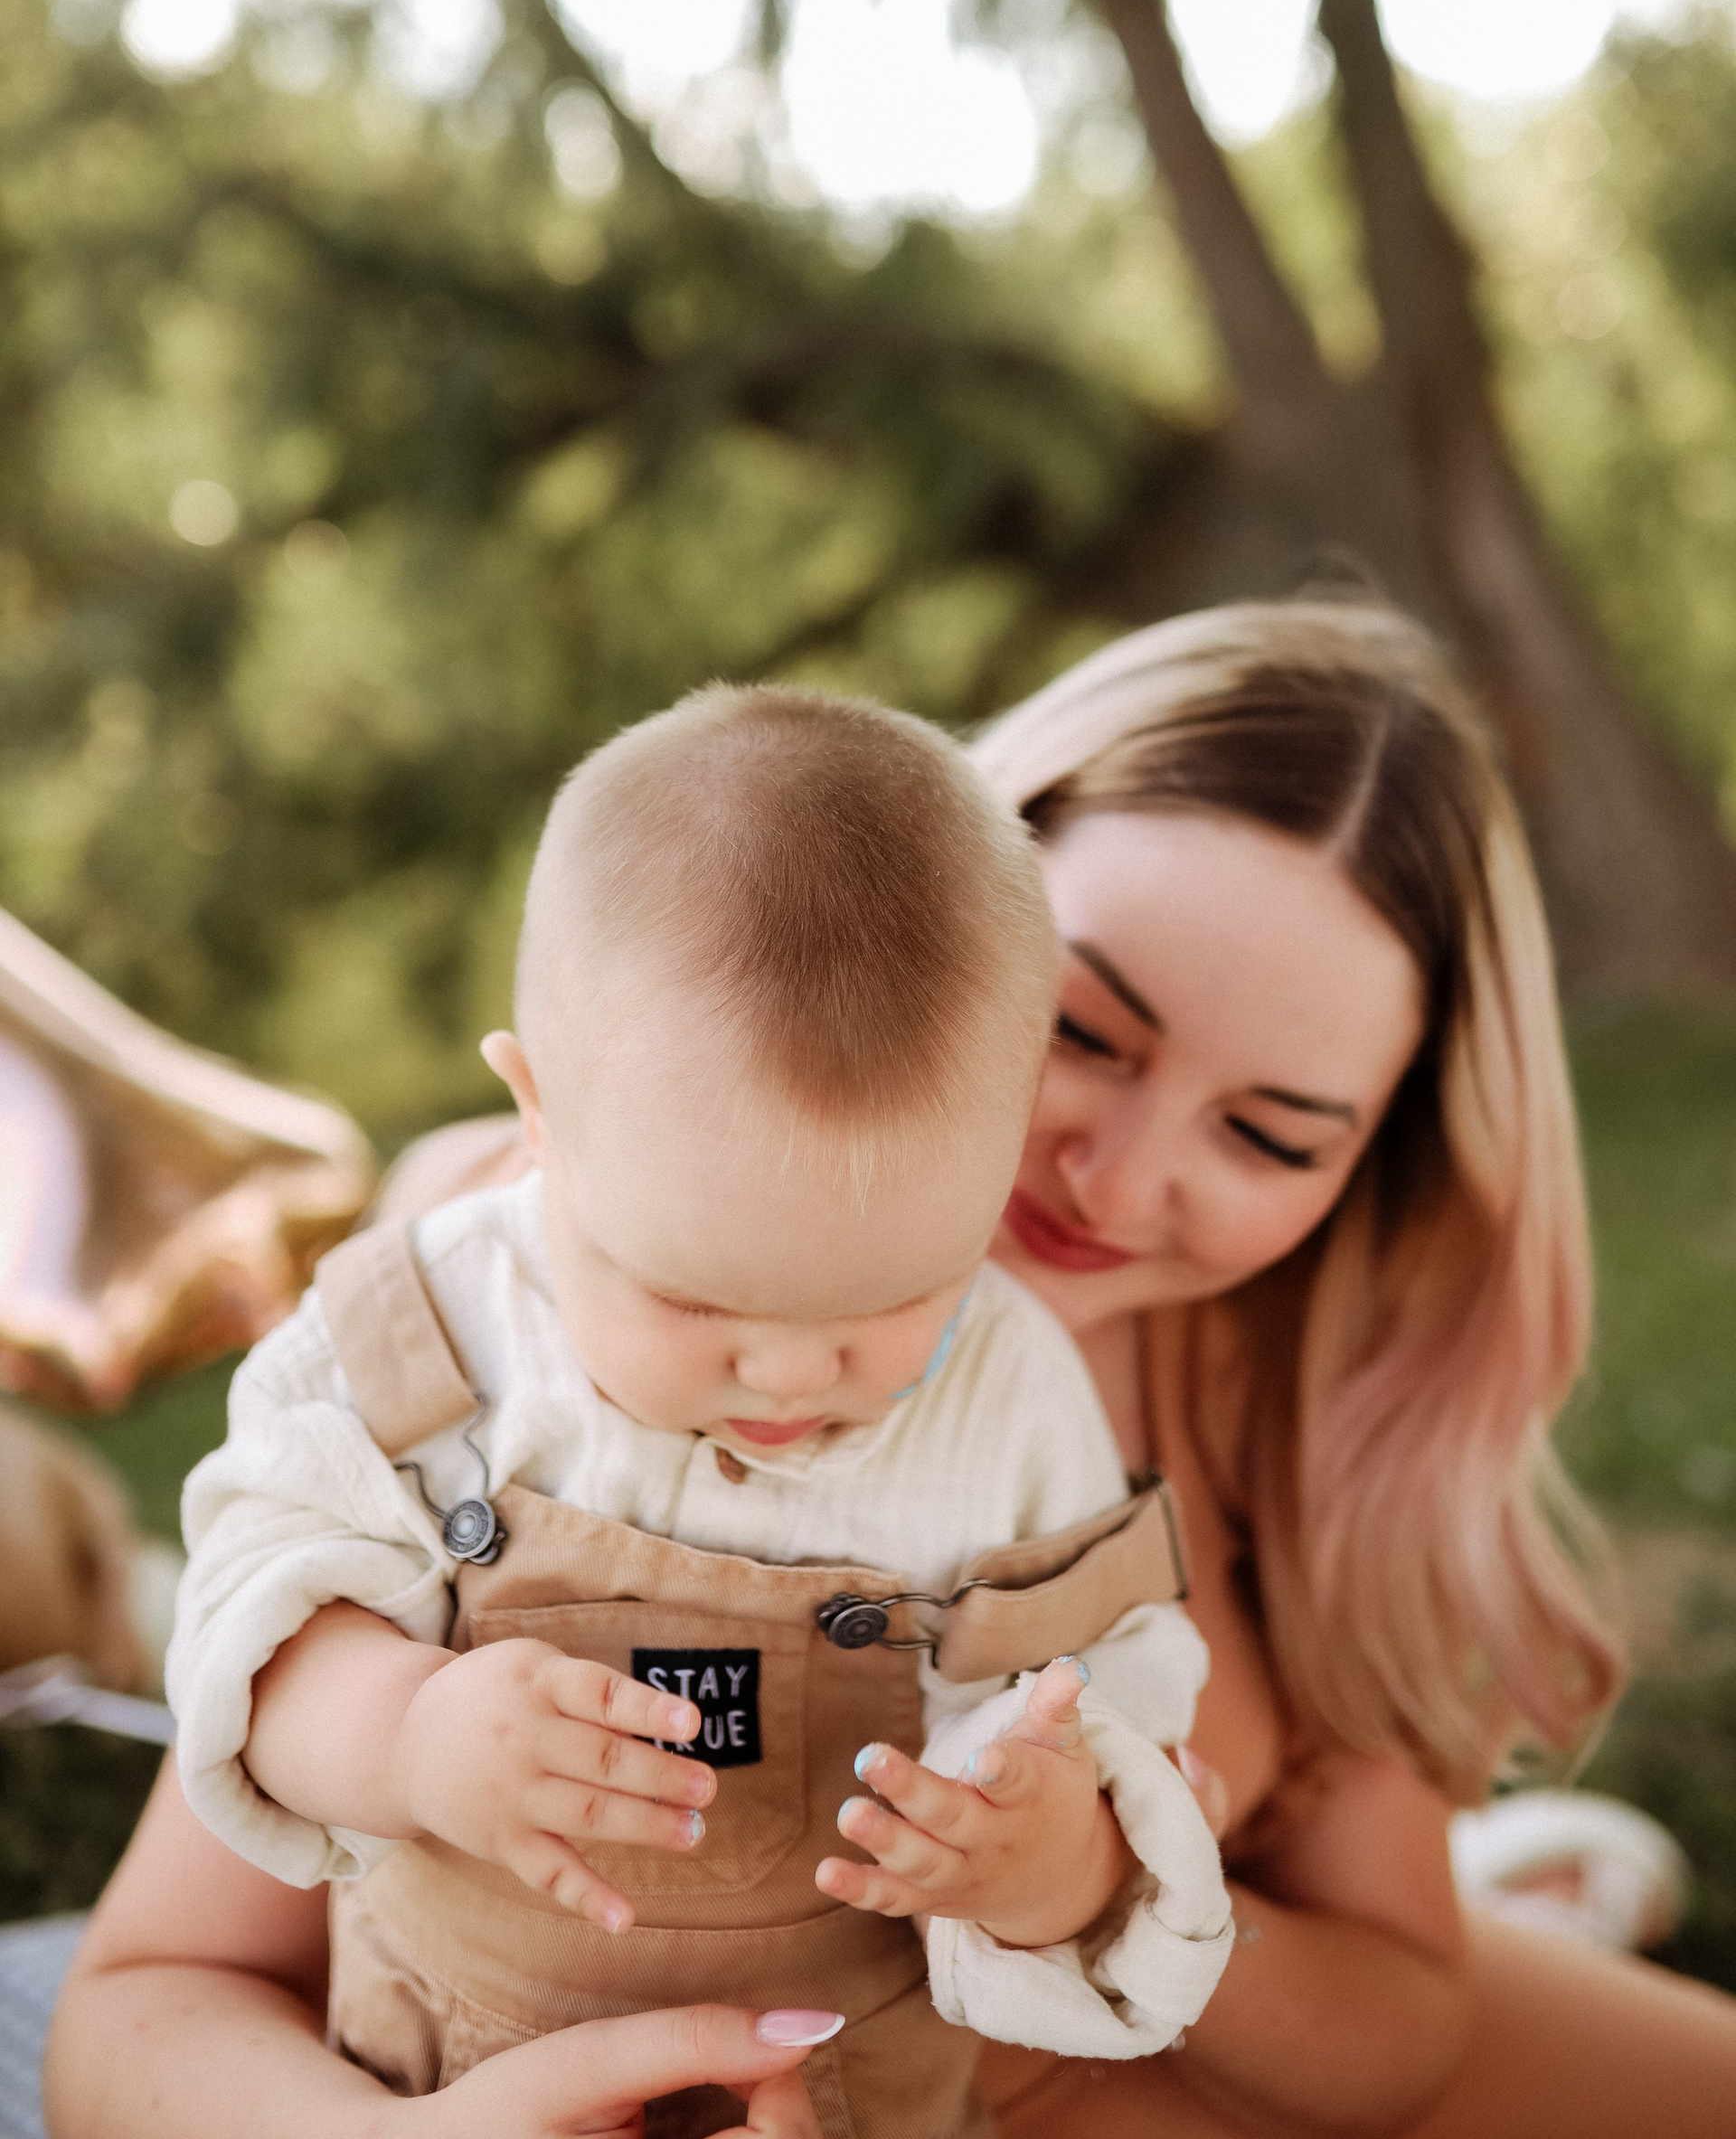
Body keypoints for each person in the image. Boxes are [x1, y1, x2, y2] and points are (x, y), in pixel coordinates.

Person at [44, 599, 1736, 2139]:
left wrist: (1114, 1894)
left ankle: (1510, 1885)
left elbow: (1397, 2033)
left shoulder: (1312, 1421)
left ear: (1376, 1163)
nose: (1115, 1181)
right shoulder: (514, 1327)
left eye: (1272, 1135)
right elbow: (147, 2000)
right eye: (1082, 1033)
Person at [160, 683, 1230, 2133]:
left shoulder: (1014, 1400)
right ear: (539, 1113)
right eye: (691, 1299)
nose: (788, 1377)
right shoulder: (427, 1338)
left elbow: (1110, 1705)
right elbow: (250, 1620)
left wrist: (1049, 1861)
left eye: (890, 1302)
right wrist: (406, 1733)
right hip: (435, 2082)